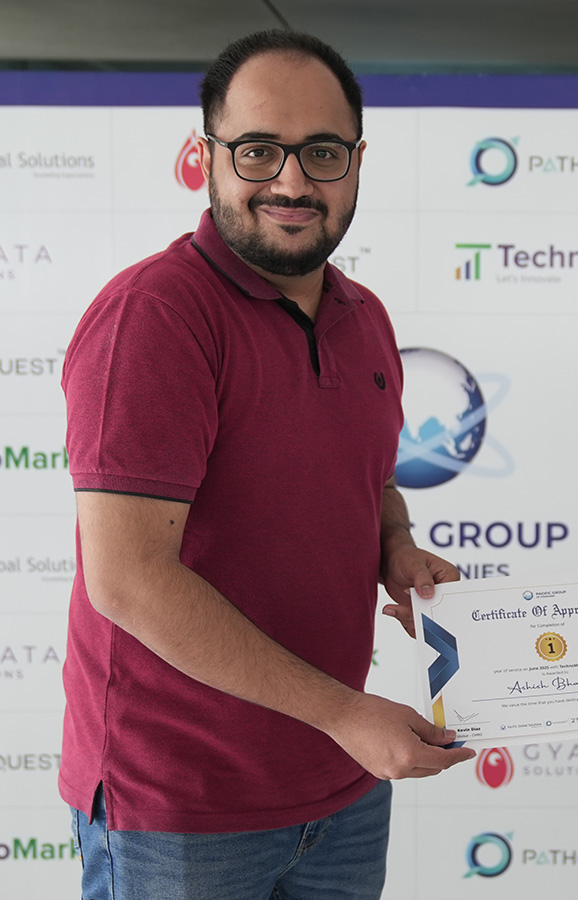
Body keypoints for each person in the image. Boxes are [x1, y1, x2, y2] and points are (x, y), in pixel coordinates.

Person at [60, 29, 473, 900]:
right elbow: (127, 579)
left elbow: (372, 477)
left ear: (357, 163)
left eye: (321, 152)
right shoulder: (156, 316)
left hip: (343, 787)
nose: (291, 181)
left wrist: (395, 548)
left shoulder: (365, 317)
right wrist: (345, 713)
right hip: (179, 808)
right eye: (257, 150)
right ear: (205, 155)